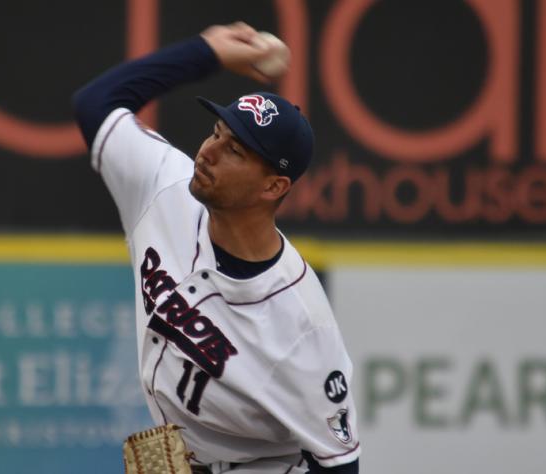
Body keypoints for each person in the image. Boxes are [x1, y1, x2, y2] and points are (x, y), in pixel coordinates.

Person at [73, 22, 360, 474]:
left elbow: (340, 465)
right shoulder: (165, 185)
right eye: (216, 132)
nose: (208, 152)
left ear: (274, 186)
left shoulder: (302, 327)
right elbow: (96, 104)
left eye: (236, 152)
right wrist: (205, 52)